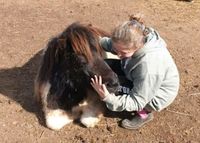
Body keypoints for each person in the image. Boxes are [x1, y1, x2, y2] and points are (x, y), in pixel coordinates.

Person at [90, 15, 180, 130]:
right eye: (116, 50)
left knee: (110, 86)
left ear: (137, 47)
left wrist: (107, 97)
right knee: (103, 66)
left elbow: (137, 100)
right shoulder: (134, 39)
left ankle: (144, 114)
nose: (118, 55)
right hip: (135, 73)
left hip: (154, 95)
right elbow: (110, 44)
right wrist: (92, 41)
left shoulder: (148, 67)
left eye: (123, 52)